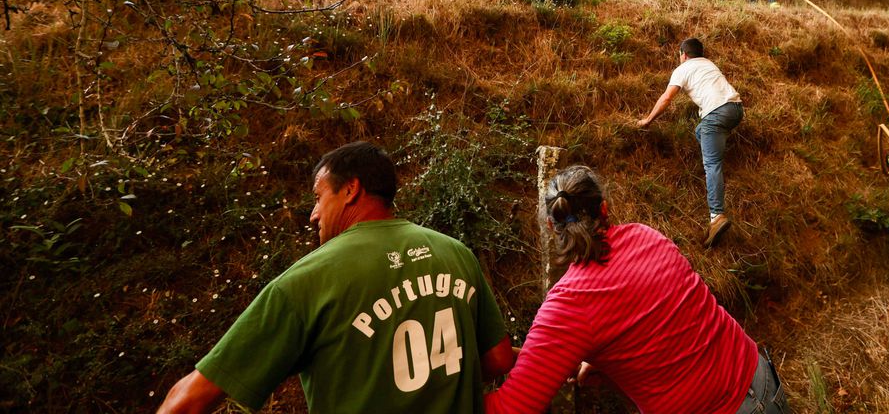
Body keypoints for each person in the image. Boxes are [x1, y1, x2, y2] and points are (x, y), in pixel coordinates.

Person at [156, 141, 514, 414]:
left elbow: (187, 402)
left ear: (350, 190)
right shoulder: (456, 254)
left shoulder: (306, 282)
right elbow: (497, 360)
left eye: (318, 197)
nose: (313, 214)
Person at [485, 165, 789, 414]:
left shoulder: (568, 305)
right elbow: (666, 325)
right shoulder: (646, 236)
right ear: (604, 209)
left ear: (552, 227)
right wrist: (606, 364)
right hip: (759, 379)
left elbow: (511, 408)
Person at [636, 37, 743, 248]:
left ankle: (716, 216)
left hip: (716, 113)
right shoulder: (709, 64)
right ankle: (714, 149)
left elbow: (667, 98)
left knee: (712, 164)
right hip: (736, 109)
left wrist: (648, 120)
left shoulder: (682, 69)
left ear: (683, 54)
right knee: (700, 131)